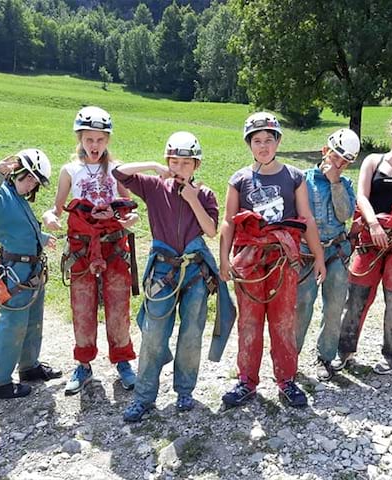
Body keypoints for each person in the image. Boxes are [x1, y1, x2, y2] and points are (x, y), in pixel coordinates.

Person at [113, 132, 232, 422]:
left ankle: (184, 391)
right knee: (153, 334)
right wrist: (155, 166)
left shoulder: (205, 194)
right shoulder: (155, 187)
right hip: (163, 270)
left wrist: (192, 199)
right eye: (174, 162)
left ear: (196, 165)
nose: (179, 168)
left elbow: (210, 230)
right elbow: (118, 172)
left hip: (194, 270)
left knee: (191, 333)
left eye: (186, 163)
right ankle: (144, 396)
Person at [219, 112, 326, 408]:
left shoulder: (294, 177)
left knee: (283, 321)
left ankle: (286, 380)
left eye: (268, 140)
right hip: (250, 260)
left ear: (278, 141)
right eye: (257, 141)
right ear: (249, 144)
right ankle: (246, 381)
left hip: (283, 260)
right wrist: (225, 259)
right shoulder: (239, 180)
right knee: (250, 322)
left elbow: (306, 219)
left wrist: (318, 256)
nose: (263, 146)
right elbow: (228, 222)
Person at [42, 106, 138, 395]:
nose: (94, 146)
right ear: (80, 139)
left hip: (114, 246)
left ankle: (123, 361)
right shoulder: (70, 171)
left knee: (118, 305)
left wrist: (132, 217)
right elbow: (56, 207)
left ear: (107, 140)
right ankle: (83, 364)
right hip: (82, 249)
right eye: (89, 140)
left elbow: (128, 205)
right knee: (82, 305)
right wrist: (50, 217)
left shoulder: (118, 170)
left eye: (100, 140)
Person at [333, 102, 392, 375]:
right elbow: (362, 196)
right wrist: (373, 224)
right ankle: (344, 350)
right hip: (370, 235)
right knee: (356, 294)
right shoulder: (373, 160)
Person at [0, 149, 62, 399]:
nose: (31, 184)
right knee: (13, 323)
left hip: (31, 268)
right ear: (16, 172)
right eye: (28, 177)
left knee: (33, 320)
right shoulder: (0, 194)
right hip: (16, 271)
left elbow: (21, 228)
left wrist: (42, 238)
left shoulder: (18, 199)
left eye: (35, 181)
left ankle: (29, 367)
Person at [295, 129, 359, 381]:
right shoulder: (302, 181)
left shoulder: (345, 185)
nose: (339, 164)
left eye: (345, 162)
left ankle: (326, 356)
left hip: (335, 251)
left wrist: (335, 183)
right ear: (325, 152)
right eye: (336, 157)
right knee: (302, 304)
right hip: (306, 253)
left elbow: (345, 215)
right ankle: (290, 357)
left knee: (334, 306)